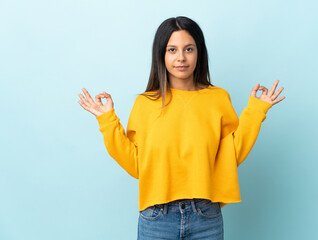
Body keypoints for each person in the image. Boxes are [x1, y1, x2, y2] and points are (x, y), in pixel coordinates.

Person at [78, 16, 285, 240]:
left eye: (189, 49)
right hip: (157, 217)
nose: (181, 58)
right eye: (172, 50)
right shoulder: (145, 104)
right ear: (161, 55)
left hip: (206, 216)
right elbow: (136, 164)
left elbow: (231, 155)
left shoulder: (217, 99)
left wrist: (256, 111)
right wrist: (107, 120)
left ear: (199, 53)